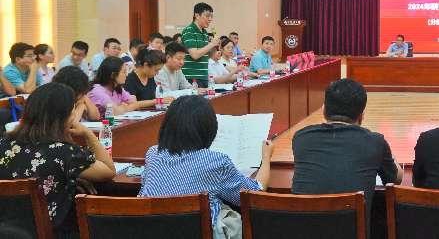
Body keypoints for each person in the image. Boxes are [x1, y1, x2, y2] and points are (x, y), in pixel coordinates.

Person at [140, 95, 272, 239]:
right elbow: (254, 194)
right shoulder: (215, 162)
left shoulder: (152, 154)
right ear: (208, 129)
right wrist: (266, 157)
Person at [0, 82, 115, 237]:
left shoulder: (3, 144)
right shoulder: (65, 152)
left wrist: (69, 179)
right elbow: (109, 170)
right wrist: (88, 135)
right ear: (64, 117)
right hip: (50, 233)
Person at [292, 78, 402, 226]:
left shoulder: (301, 138)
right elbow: (396, 179)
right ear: (361, 115)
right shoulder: (375, 142)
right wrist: (390, 156)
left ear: (324, 110)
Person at [88, 56, 155, 117]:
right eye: (124, 72)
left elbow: (135, 103)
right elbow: (115, 111)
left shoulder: (117, 88)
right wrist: (123, 107)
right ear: (113, 75)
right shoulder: (97, 90)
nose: (126, 75)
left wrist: (122, 107)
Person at [181, 3, 222, 88]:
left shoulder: (204, 32)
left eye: (211, 16)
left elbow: (205, 56)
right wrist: (211, 44)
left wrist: (215, 48)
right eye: (207, 16)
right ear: (197, 15)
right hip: (192, 76)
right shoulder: (189, 31)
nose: (210, 19)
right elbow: (195, 55)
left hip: (203, 75)